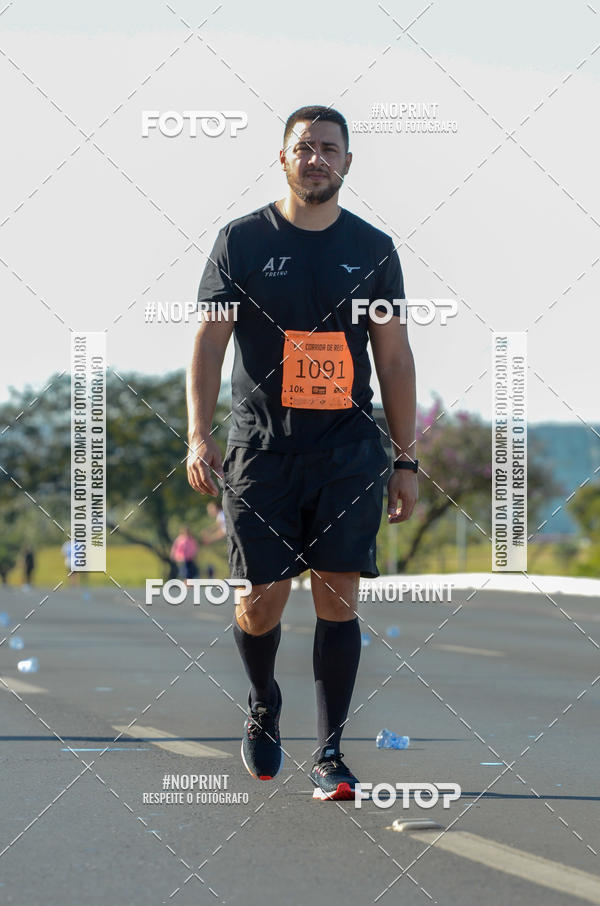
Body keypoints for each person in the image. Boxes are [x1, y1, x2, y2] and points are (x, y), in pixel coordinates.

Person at [186, 106, 418, 801]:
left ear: (347, 162)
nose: (316, 159)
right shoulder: (241, 241)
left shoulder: (373, 249)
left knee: (338, 597)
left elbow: (394, 357)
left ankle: (330, 754)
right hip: (261, 450)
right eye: (304, 147)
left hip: (347, 449)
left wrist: (405, 458)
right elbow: (209, 343)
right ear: (283, 157)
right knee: (260, 603)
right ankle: (263, 699)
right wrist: (199, 433)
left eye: (329, 149)